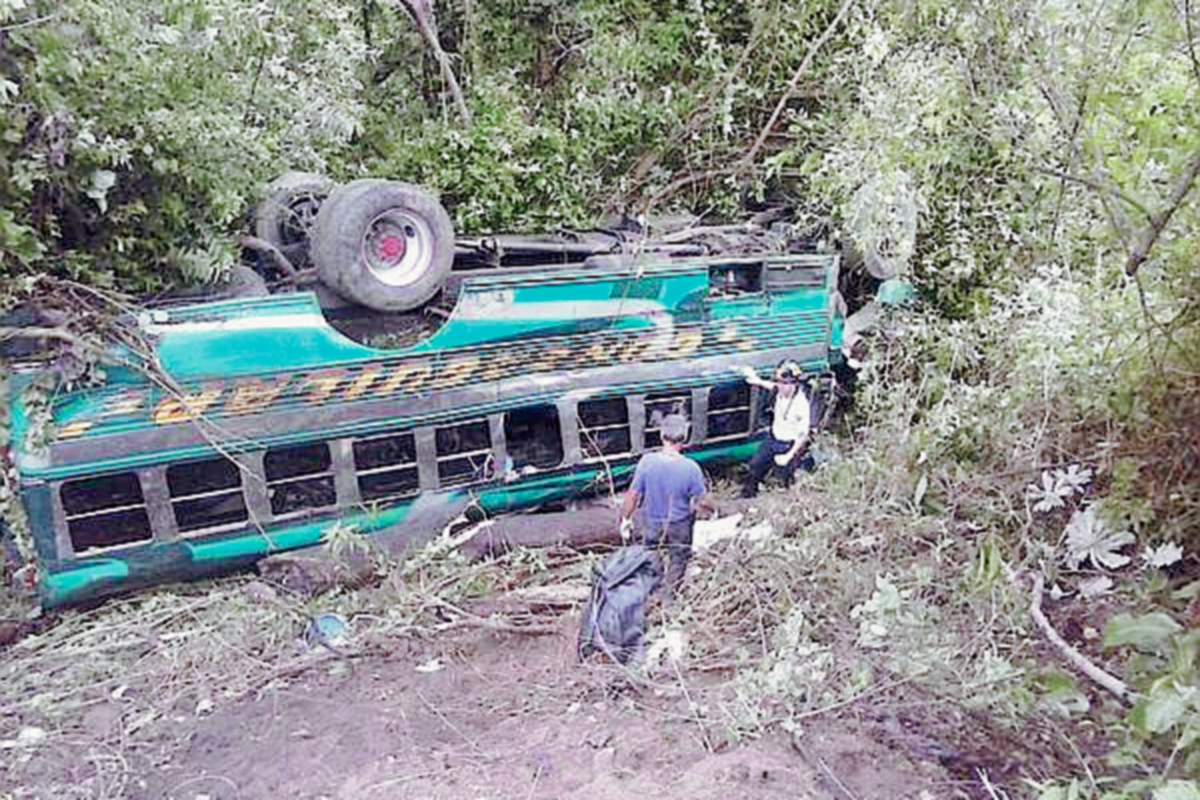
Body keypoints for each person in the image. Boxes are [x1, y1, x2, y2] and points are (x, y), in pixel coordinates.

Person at [619, 414, 713, 589]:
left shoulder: (647, 462)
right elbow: (703, 501)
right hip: (679, 524)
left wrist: (626, 519)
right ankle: (670, 597)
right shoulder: (691, 468)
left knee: (651, 555)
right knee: (678, 559)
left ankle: (651, 589)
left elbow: (633, 495)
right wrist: (710, 511)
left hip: (652, 522)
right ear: (684, 439)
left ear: (661, 436)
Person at [738, 360, 811, 498]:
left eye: (785, 383)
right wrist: (756, 380)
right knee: (756, 465)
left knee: (783, 479)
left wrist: (789, 455)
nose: (781, 386)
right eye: (779, 382)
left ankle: (783, 501)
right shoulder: (778, 391)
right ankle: (748, 494)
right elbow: (770, 386)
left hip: (788, 444)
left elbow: (803, 435)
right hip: (773, 438)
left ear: (795, 383)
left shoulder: (801, 405)